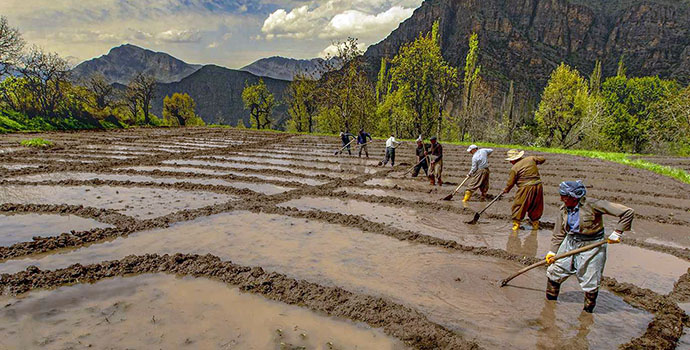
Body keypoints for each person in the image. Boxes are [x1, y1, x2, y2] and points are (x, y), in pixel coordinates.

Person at [545, 180, 634, 313]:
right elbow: (559, 232)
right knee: (555, 271)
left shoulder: (593, 205)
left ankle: (587, 313)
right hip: (570, 242)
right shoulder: (563, 208)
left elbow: (628, 212)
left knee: (590, 280)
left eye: (564, 196)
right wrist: (552, 251)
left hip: (592, 245)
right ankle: (548, 308)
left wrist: (617, 232)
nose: (561, 198)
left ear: (573, 196)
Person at [502, 149, 545, 231]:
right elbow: (542, 159)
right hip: (538, 186)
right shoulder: (531, 158)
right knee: (536, 206)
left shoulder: (514, 168)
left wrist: (506, 190)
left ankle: (516, 226)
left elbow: (511, 183)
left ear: (514, 159)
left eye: (511, 160)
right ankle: (535, 226)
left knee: (519, 205)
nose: (510, 162)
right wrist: (535, 161)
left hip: (525, 188)